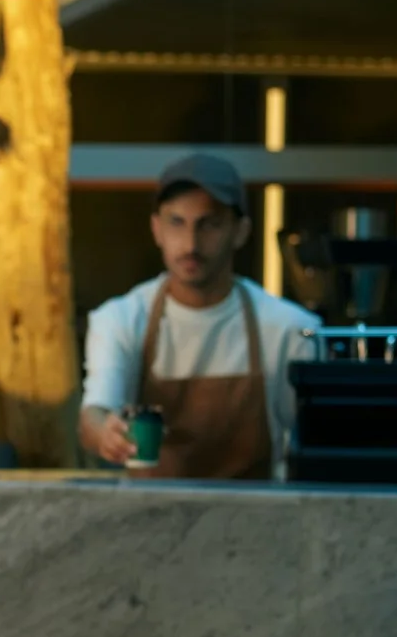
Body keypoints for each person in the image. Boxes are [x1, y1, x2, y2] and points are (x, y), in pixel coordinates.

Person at [77, 155, 319, 480]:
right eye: (177, 222)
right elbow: (95, 412)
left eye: (210, 224)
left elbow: (315, 440)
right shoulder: (120, 319)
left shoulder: (289, 329)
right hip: (149, 522)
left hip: (258, 521)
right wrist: (105, 434)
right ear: (156, 229)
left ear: (241, 231)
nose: (191, 244)